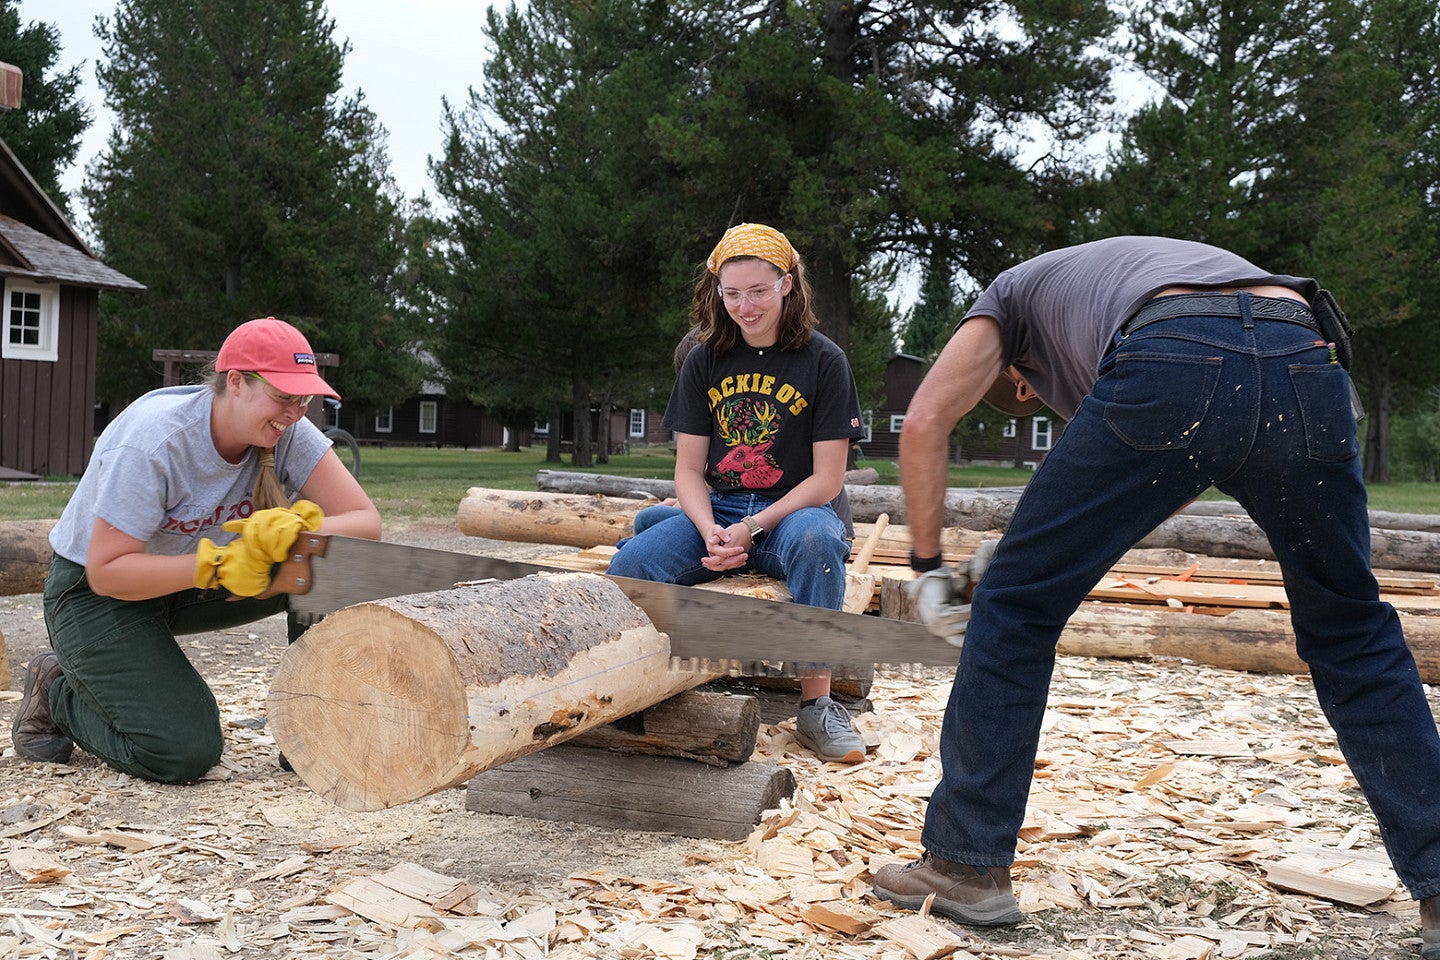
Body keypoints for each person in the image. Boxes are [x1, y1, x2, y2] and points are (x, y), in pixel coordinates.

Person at [871, 235, 1440, 955]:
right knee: (1351, 626)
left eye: (1026, 397)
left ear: (1019, 377)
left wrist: (930, 570)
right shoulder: (1117, 287)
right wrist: (1023, 555)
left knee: (1013, 608)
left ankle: (964, 863)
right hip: (1304, 345)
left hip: (1175, 346)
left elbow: (923, 423)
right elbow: (1163, 479)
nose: (1037, 402)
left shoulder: (1008, 295)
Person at [11, 316, 381, 784]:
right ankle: (57, 691)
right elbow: (106, 572)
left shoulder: (287, 431)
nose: (295, 412)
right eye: (284, 397)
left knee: (335, 564)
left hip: (187, 584)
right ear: (236, 382)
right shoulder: (154, 441)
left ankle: (312, 732)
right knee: (183, 751)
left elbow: (365, 524)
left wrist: (301, 527)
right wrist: (220, 561)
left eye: (304, 399)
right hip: (96, 597)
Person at [607, 222, 868, 763]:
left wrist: (751, 529)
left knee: (820, 542)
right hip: (721, 510)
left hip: (798, 513)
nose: (745, 307)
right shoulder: (704, 359)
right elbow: (687, 472)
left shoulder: (825, 361)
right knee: (633, 563)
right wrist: (709, 530)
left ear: (787, 285)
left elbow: (828, 480)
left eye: (758, 291)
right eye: (731, 294)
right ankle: (634, 684)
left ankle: (816, 705)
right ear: (716, 292)